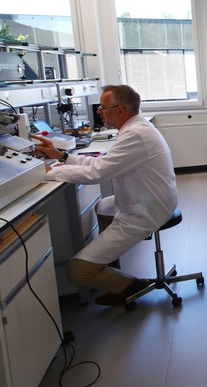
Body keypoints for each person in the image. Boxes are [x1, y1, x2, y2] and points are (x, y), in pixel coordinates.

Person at [31, 85, 178, 306]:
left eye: (102, 108)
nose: (99, 112)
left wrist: (53, 172)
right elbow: (102, 163)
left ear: (119, 110)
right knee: (103, 206)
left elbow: (98, 172)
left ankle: (129, 286)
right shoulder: (132, 129)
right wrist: (61, 156)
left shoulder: (135, 134)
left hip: (145, 211)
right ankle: (110, 270)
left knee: (76, 271)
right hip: (147, 200)